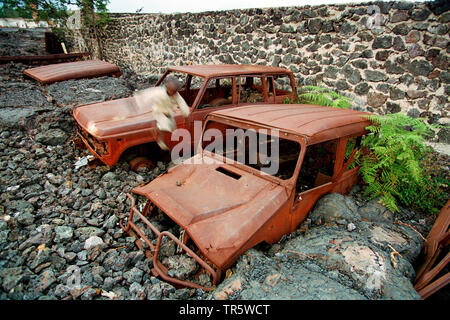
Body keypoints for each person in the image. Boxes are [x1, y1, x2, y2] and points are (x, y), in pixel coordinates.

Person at [134, 77, 190, 150]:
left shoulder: (176, 95)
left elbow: (181, 103)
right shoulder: (159, 92)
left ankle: (167, 141)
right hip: (159, 112)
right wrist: (139, 103)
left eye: (174, 91)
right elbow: (147, 95)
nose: (173, 93)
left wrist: (186, 114)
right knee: (164, 126)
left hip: (168, 113)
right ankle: (159, 137)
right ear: (167, 88)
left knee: (172, 128)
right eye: (172, 91)